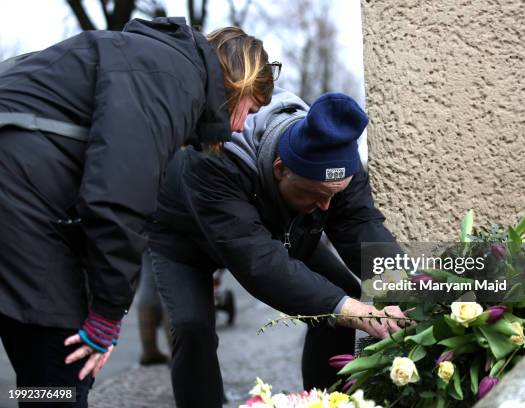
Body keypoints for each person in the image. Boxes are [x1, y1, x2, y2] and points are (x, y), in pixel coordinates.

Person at [0, 17, 274, 406]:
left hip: (20, 192)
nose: (244, 127)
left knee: (42, 377)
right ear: (238, 81)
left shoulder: (146, 58)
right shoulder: (174, 79)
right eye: (250, 108)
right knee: (62, 376)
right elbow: (118, 198)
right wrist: (107, 316)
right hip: (21, 200)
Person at [147, 88, 407, 408]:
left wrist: (408, 291)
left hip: (276, 225)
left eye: (334, 195)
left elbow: (359, 226)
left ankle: (327, 401)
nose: (326, 207)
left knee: (339, 290)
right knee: (191, 328)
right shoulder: (214, 157)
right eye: (315, 194)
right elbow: (258, 262)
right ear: (280, 167)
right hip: (185, 235)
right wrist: (355, 312)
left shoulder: (335, 157)